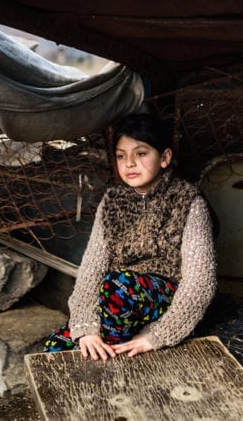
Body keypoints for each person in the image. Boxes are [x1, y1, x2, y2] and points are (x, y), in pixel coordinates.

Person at [44, 112, 217, 359]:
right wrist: (85, 328)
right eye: (121, 156)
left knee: (120, 285)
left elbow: (200, 281)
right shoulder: (112, 202)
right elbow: (92, 268)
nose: (129, 164)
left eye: (141, 153)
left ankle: (108, 365)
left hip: (164, 299)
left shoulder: (187, 201)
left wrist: (158, 334)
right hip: (116, 303)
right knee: (54, 347)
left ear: (165, 157)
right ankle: (106, 349)